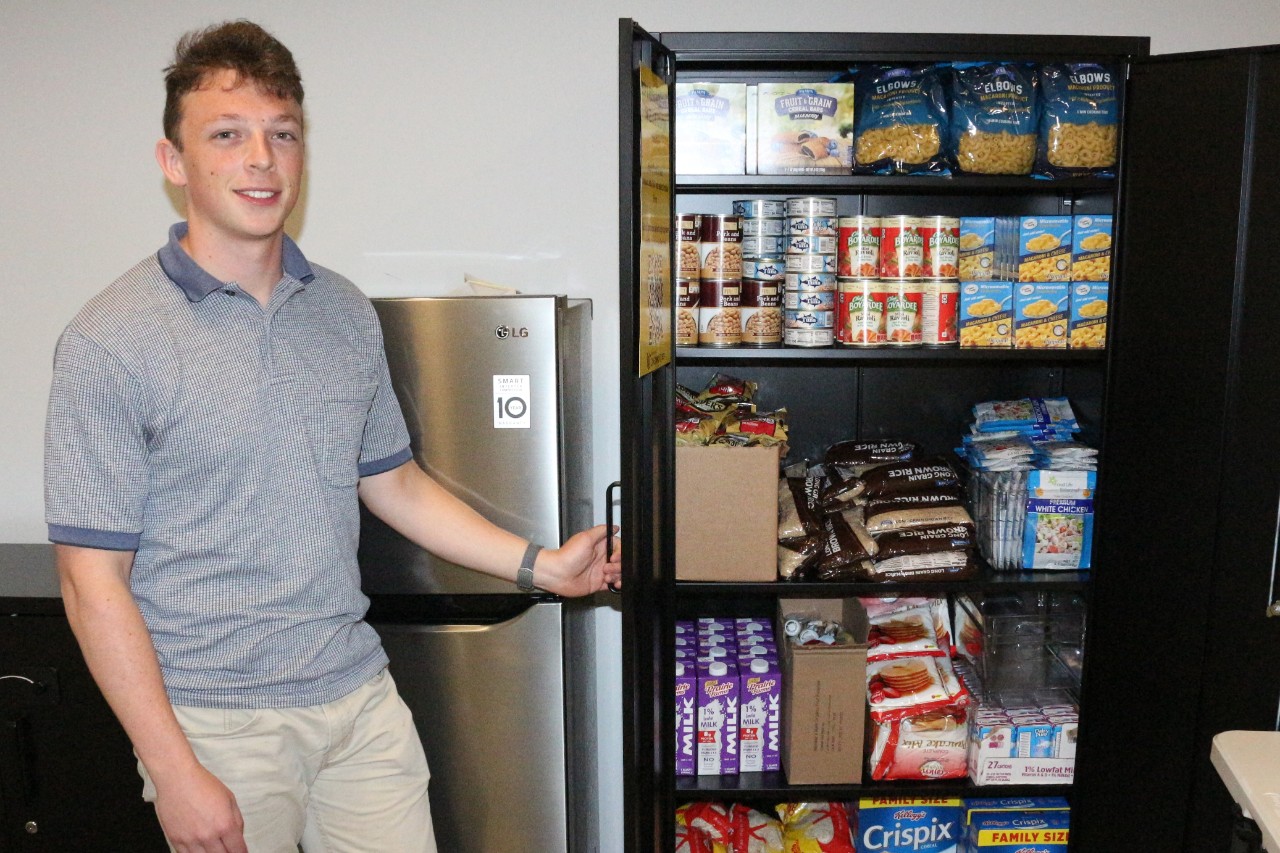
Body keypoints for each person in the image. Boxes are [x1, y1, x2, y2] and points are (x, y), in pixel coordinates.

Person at [43, 19, 620, 853]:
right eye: (228, 135)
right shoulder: (111, 339)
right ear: (174, 163)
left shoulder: (344, 311)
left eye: (282, 134)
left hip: (358, 699)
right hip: (217, 724)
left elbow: (393, 480)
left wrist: (540, 563)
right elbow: (91, 583)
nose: (261, 159)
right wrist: (174, 770)